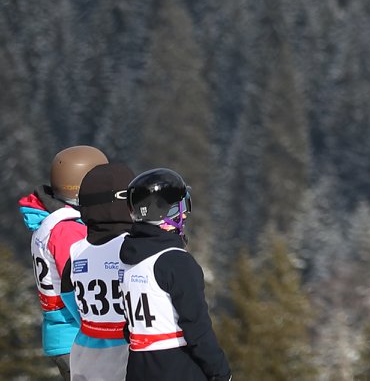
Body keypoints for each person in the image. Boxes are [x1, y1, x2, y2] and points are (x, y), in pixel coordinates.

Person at [118, 169, 230, 381]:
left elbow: (129, 326)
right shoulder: (176, 261)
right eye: (181, 207)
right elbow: (197, 327)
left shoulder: (128, 259)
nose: (185, 214)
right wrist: (221, 372)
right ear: (162, 213)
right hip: (176, 366)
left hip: (138, 366)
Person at [19, 145, 108, 380]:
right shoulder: (68, 230)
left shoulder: (53, 223)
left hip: (65, 333)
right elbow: (80, 285)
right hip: (77, 335)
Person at [66, 161, 136, 381]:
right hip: (125, 359)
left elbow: (69, 300)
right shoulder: (134, 248)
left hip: (84, 357)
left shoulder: (76, 251)